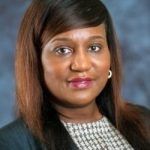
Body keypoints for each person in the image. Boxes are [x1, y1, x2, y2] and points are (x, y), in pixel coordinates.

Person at [0, 0, 149, 149]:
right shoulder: (11, 143)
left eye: (94, 47)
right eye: (63, 50)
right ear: (36, 60)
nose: (81, 65)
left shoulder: (144, 121)